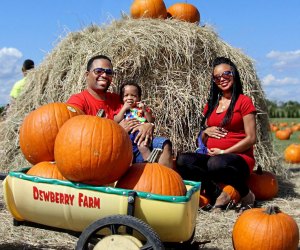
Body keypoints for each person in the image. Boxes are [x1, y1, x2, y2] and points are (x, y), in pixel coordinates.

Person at [176, 56, 257, 211]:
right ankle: (218, 194)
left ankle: (246, 194)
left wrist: (224, 151)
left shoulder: (244, 101)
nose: (222, 79)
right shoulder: (211, 105)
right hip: (214, 157)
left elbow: (251, 138)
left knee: (216, 163)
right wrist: (205, 132)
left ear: (234, 74)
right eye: (217, 77)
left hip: (238, 159)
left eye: (226, 74)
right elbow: (202, 140)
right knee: (182, 160)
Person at [67, 55, 174, 168]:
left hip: (133, 145)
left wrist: (149, 125)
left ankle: (161, 182)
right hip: (100, 156)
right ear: (87, 75)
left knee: (163, 144)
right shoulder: (78, 101)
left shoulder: (118, 99)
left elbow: (139, 114)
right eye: (98, 71)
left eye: (108, 72)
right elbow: (74, 139)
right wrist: (118, 131)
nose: (104, 75)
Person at [114, 81, 155, 163]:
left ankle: (150, 164)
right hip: (127, 135)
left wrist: (144, 110)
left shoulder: (142, 108)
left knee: (143, 146)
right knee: (128, 153)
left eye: (133, 95)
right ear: (122, 98)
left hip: (140, 133)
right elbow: (116, 120)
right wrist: (123, 109)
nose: (129, 98)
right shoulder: (121, 108)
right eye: (126, 95)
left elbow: (151, 120)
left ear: (139, 98)